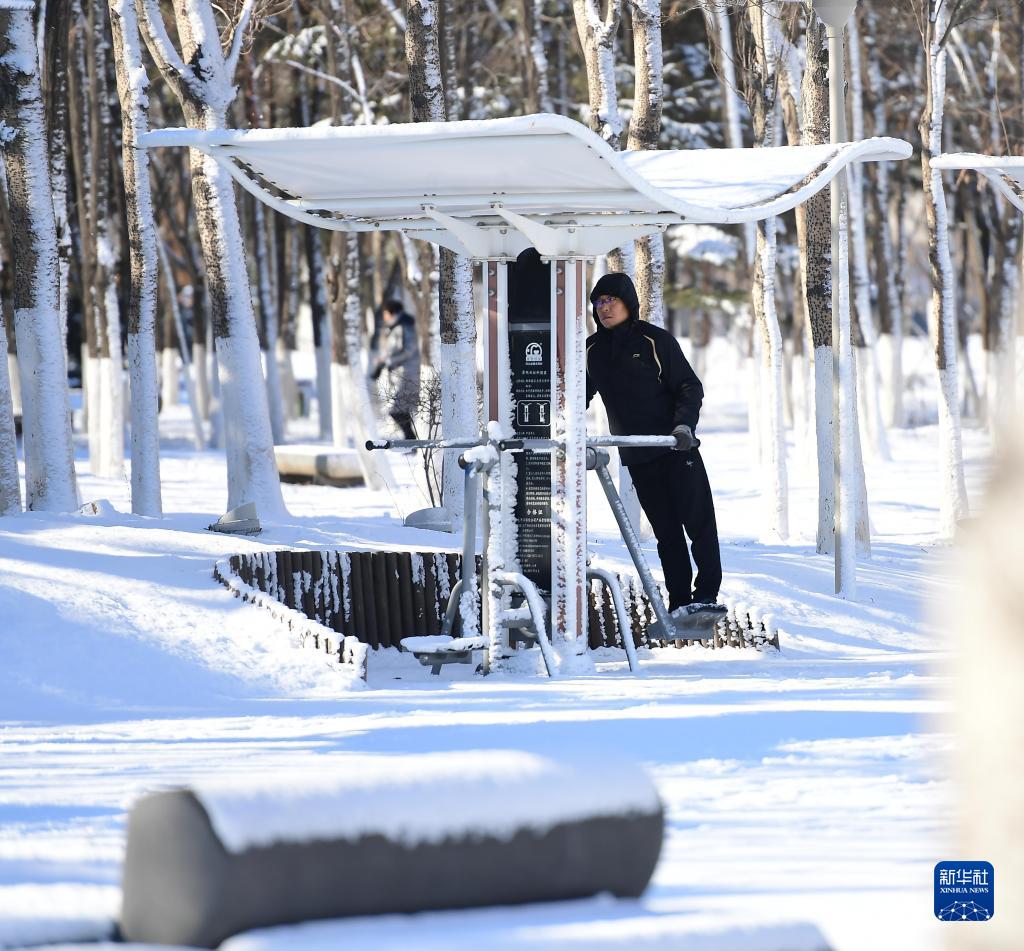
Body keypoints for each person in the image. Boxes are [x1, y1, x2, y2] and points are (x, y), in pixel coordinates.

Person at [585, 272, 724, 618]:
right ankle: (679, 601)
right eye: (598, 302)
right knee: (666, 532)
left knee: (698, 523)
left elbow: (689, 386)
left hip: (677, 449)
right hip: (639, 455)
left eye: (611, 300)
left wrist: (683, 427)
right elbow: (577, 397)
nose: (604, 308)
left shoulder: (653, 340)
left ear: (628, 303)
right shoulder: (592, 350)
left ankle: (706, 594)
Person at [370, 299, 421, 441]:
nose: (384, 317)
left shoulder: (405, 327)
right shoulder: (396, 327)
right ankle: (411, 443)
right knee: (400, 410)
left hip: (407, 374)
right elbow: (393, 350)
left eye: (385, 313)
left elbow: (409, 350)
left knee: (396, 410)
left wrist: (388, 361)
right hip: (400, 374)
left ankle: (411, 442)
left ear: (392, 313)